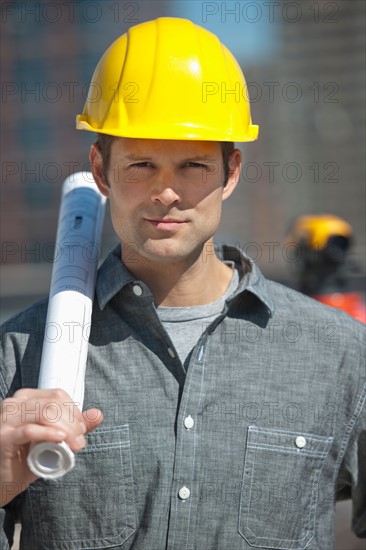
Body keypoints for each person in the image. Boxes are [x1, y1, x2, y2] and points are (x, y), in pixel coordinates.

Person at [0, 17, 365, 550]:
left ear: (231, 171)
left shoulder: (340, 352)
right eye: (142, 164)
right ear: (101, 171)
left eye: (192, 165)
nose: (166, 193)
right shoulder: (18, 356)